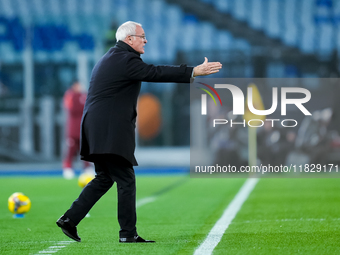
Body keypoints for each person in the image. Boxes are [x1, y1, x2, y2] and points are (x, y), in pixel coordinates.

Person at [56, 21, 222, 243]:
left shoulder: (112, 57)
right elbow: (154, 72)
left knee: (104, 178)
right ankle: (127, 234)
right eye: (142, 36)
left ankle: (70, 219)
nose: (145, 40)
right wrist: (192, 71)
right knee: (126, 179)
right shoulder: (125, 59)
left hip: (97, 127)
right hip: (108, 129)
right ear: (129, 39)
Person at [62, 81, 92, 179]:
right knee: (71, 148)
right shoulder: (70, 95)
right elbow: (72, 109)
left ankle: (87, 168)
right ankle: (67, 168)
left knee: (84, 149)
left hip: (83, 126)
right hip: (73, 128)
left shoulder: (84, 95)